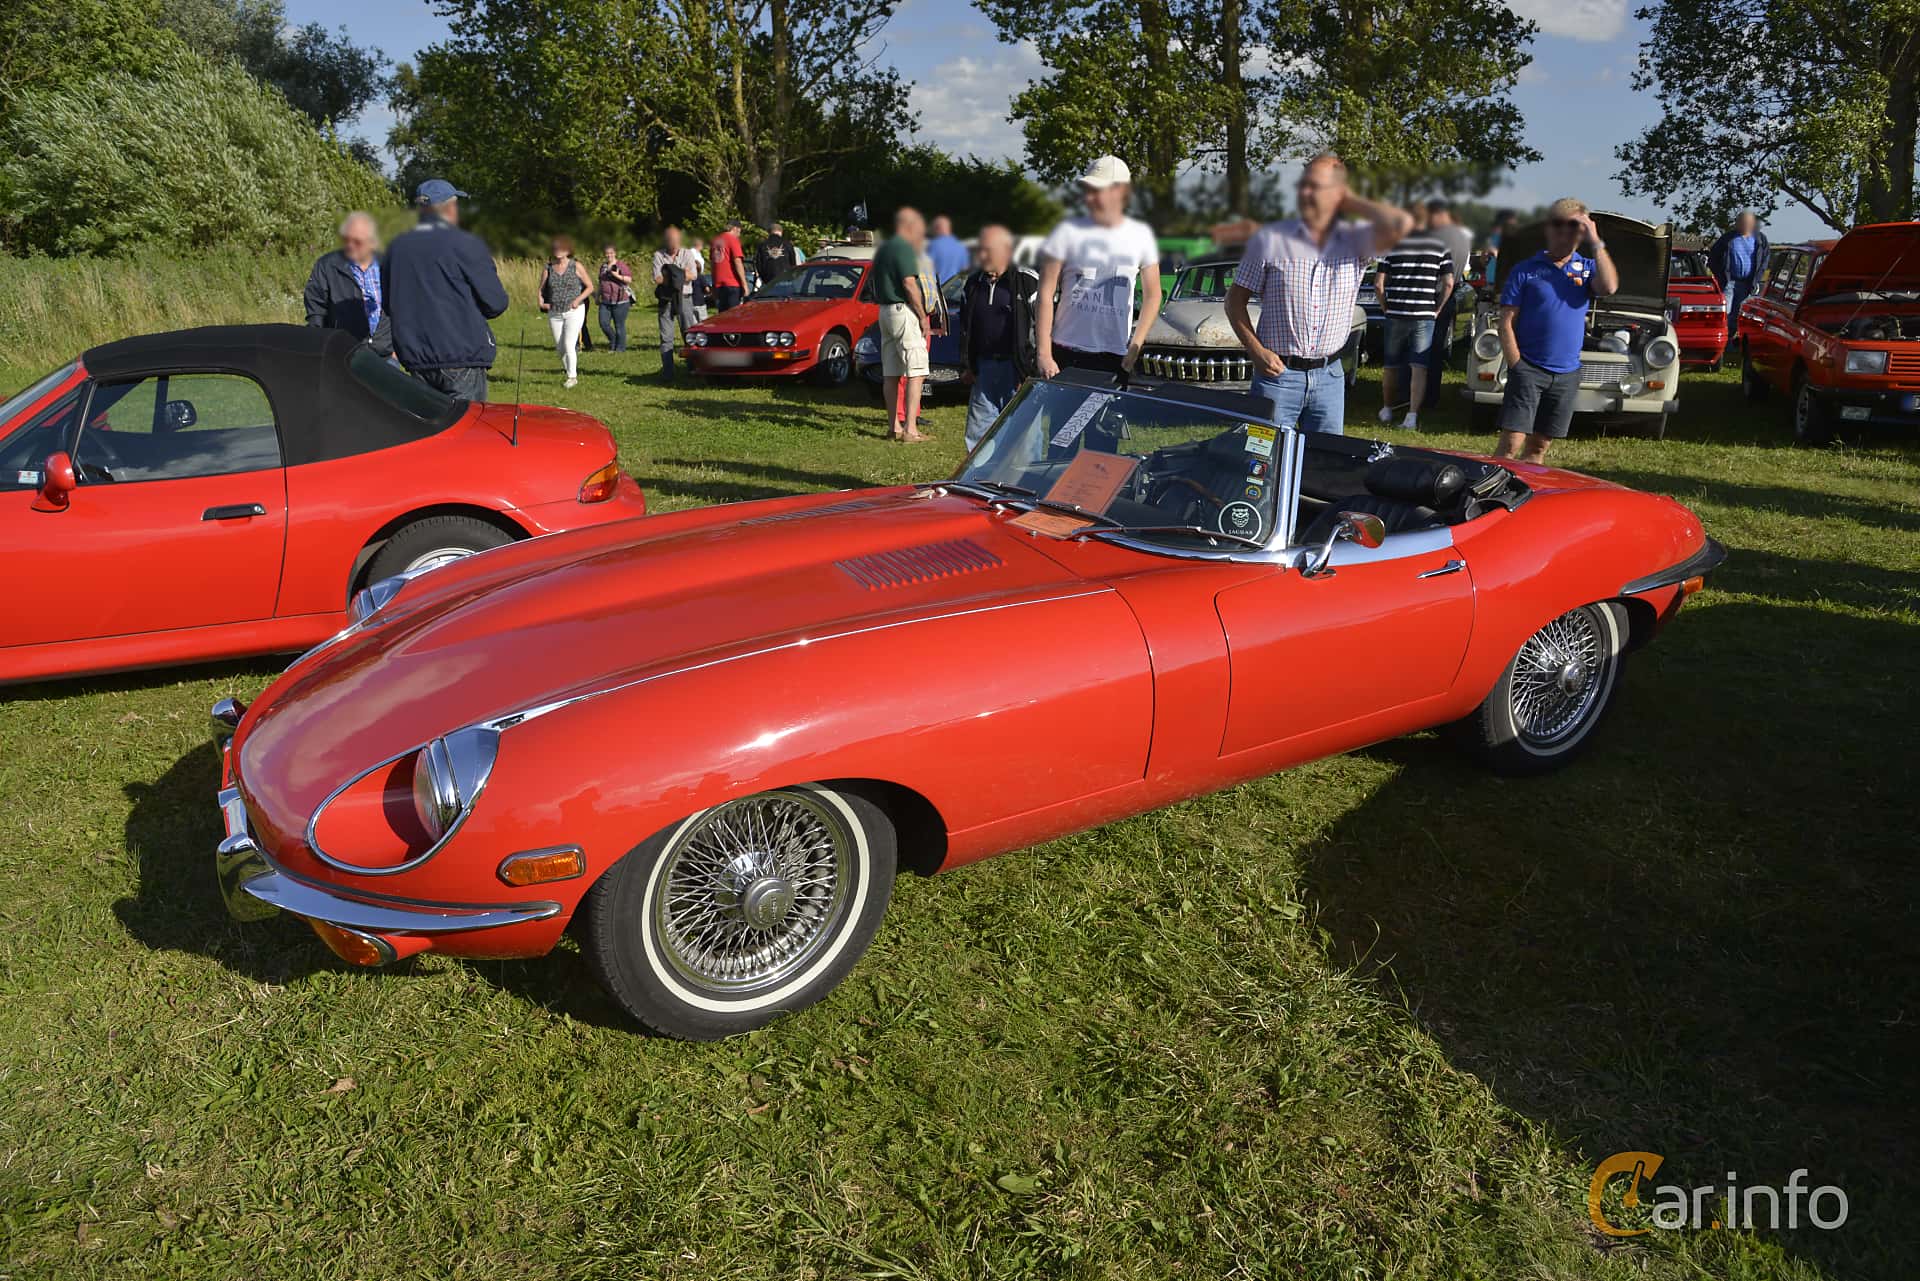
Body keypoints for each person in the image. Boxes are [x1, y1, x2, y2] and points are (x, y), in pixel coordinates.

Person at [1225, 154, 1412, 433]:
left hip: (1329, 378)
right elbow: (1234, 302)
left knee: (1325, 464)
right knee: (1263, 465)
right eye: (1303, 184)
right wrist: (1256, 351)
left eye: (1315, 186)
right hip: (1277, 376)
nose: (1305, 192)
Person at [1492, 197, 1620, 464]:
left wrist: (1596, 241)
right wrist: (1517, 364)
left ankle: (1526, 496)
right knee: (1511, 444)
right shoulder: (1526, 270)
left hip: (1566, 374)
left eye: (1575, 227)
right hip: (1529, 368)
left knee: (1539, 446)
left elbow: (1608, 287)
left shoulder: (1585, 268)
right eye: (1560, 225)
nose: (1567, 232)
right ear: (1549, 228)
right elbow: (1505, 321)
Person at [1034, 155, 1162, 377]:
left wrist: (1135, 346)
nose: (1089, 196)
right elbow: (1045, 293)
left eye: (1098, 190)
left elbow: (1154, 295)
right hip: (1066, 351)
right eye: (1087, 188)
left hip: (1116, 356)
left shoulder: (1141, 236)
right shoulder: (1066, 231)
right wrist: (1044, 354)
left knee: (1109, 413)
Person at [383, 179, 509, 402]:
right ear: (449, 208)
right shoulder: (464, 243)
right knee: (466, 432)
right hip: (460, 356)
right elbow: (496, 303)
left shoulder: (396, 247)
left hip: (415, 357)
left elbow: (389, 303)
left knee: (431, 431)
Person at [958, 224, 1038, 450]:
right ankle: (977, 480)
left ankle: (1022, 481)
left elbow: (1042, 326)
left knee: (1024, 436)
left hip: (1017, 371)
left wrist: (1030, 369)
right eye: (979, 249)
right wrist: (967, 364)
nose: (981, 255)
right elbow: (966, 327)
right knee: (978, 436)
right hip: (984, 369)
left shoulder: (1027, 281)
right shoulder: (973, 284)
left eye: (987, 250)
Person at [1372, 222, 1454, 429]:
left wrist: (1385, 308)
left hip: (1396, 312)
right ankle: (1412, 416)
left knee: (1390, 366)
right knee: (1419, 367)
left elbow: (1378, 283)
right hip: (1424, 314)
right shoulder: (1441, 247)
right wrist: (1437, 309)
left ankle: (1387, 409)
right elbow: (1449, 283)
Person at [872, 207, 933, 443]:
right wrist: (922, 316)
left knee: (891, 372)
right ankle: (910, 429)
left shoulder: (883, 248)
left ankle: (893, 427)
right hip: (902, 311)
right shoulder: (904, 248)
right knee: (916, 371)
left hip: (884, 311)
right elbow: (909, 284)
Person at [303, 211, 393, 355]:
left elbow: (403, 308)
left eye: (357, 241)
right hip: (344, 354)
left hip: (385, 355)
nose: (350, 245)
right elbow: (316, 312)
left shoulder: (389, 264)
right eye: (347, 239)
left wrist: (395, 351)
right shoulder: (327, 266)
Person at [1423, 198, 1475, 411]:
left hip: (1432, 295)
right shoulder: (1462, 238)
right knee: (1436, 349)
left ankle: (1415, 396)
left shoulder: (1437, 238)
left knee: (1421, 350)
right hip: (1449, 296)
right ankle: (1431, 395)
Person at [538, 235, 592, 388]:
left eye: (561, 248)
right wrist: (541, 302)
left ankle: (572, 377)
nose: (558, 251)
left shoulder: (576, 266)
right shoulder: (548, 268)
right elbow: (541, 289)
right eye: (555, 248)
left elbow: (590, 287)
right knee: (560, 347)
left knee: (569, 344)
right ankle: (569, 370)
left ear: (568, 250)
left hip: (574, 311)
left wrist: (577, 300)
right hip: (555, 313)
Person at [1708, 211, 1769, 345]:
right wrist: (1721, 276)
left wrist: (1756, 279)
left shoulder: (1760, 239)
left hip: (1748, 283)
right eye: (1741, 222)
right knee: (1726, 313)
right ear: (1737, 223)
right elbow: (1712, 259)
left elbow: (1764, 261)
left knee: (1738, 314)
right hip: (1728, 282)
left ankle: (1731, 341)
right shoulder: (1727, 239)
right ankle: (1722, 341)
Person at [651, 225, 699, 380]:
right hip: (666, 300)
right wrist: (678, 274)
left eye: (675, 240)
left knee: (689, 334)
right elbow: (657, 278)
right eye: (670, 240)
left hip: (684, 298)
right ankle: (668, 373)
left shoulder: (688, 254)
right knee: (666, 337)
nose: (673, 244)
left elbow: (693, 275)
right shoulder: (658, 255)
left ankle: (693, 368)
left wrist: (672, 273)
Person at [597, 243, 635, 352]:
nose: (609, 255)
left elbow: (629, 280)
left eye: (611, 253)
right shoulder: (603, 267)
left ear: (615, 253)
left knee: (619, 326)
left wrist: (616, 275)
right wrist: (597, 297)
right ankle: (613, 340)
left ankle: (620, 348)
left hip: (621, 300)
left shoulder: (621, 265)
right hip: (605, 301)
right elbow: (601, 282)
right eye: (607, 254)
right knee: (603, 323)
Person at [710, 220, 746, 311]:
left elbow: (713, 264)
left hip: (719, 284)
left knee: (722, 316)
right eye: (739, 232)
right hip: (732, 283)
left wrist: (714, 285)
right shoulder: (732, 239)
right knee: (733, 316)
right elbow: (737, 261)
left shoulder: (715, 240)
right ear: (735, 228)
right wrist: (744, 284)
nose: (739, 235)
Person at [754, 223, 798, 291]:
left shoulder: (762, 245)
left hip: (769, 282)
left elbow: (758, 265)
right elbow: (793, 264)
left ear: (769, 232)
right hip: (785, 280)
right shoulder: (787, 244)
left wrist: (764, 279)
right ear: (781, 232)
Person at [926, 215, 969, 283]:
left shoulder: (934, 245)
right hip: (954, 289)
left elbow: (927, 267)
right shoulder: (960, 246)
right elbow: (964, 269)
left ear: (937, 228)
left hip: (938, 288)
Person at [688, 237, 711, 321]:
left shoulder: (698, 253)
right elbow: (707, 288)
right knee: (703, 319)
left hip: (696, 275)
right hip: (695, 276)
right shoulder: (692, 252)